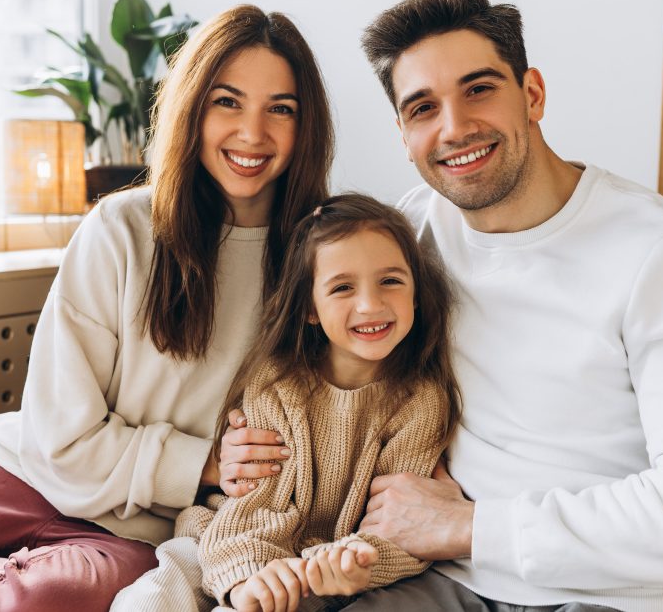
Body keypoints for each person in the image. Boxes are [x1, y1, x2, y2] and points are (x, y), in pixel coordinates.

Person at [229, 0, 663, 612]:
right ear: (403, 134)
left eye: (479, 89)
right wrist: (247, 448)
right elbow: (331, 365)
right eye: (423, 108)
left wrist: (470, 526)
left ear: (532, 94)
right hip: (457, 581)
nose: (455, 128)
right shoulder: (413, 233)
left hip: (633, 595)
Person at [0, 4, 333, 611]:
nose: (252, 133)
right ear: (192, 108)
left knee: (29, 602)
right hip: (22, 472)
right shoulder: (122, 226)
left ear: (306, 125)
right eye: (227, 102)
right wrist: (205, 461)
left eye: (280, 109)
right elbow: (59, 436)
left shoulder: (324, 259)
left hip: (142, 526)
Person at [114, 194, 461, 612]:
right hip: (227, 539)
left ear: (416, 293)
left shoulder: (421, 403)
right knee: (149, 600)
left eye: (390, 281)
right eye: (342, 288)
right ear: (310, 309)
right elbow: (255, 504)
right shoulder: (278, 385)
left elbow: (399, 528)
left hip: (323, 571)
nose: (370, 304)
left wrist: (357, 565)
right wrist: (246, 579)